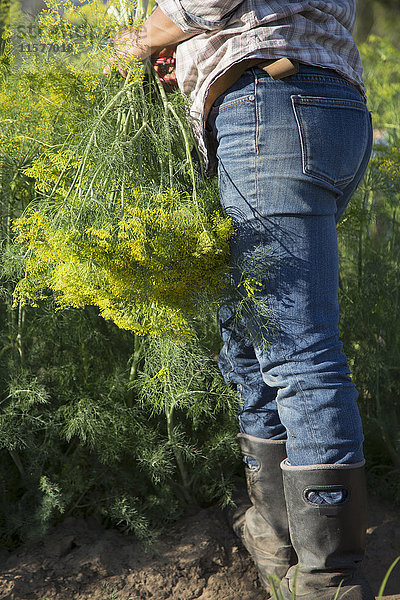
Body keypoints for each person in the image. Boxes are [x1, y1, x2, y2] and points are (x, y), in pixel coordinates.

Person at [105, 2, 374, 598]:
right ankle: (275, 538)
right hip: (306, 104)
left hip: (272, 107)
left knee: (296, 349)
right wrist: (201, 52)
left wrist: (144, 37)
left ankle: (329, 580)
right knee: (252, 335)